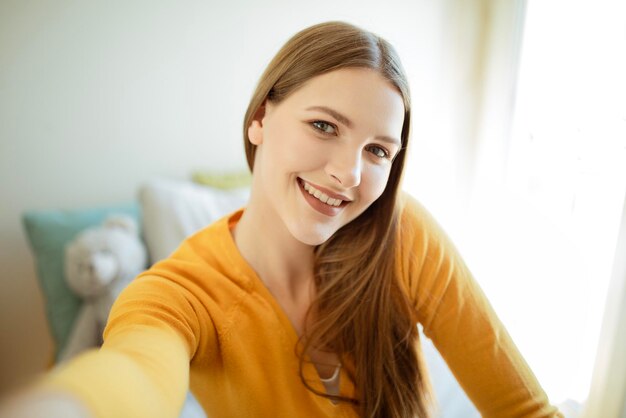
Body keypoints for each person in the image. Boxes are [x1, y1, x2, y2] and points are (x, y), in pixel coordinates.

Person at [0, 21, 563, 418]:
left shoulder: (402, 236)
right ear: (260, 119)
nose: (347, 173)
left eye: (378, 151)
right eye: (324, 126)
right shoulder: (179, 294)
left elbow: (523, 410)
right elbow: (133, 377)